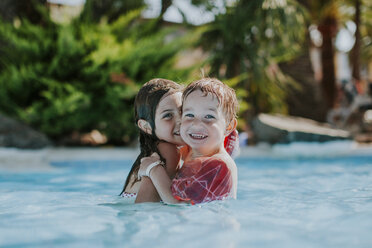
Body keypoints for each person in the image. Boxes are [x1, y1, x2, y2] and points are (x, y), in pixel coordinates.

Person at [138, 78, 239, 204]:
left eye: (209, 116)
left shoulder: (217, 165)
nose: (196, 124)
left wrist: (153, 169)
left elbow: (180, 204)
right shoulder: (194, 151)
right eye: (189, 115)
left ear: (229, 126)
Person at [119, 78, 185, 203]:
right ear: (146, 127)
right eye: (168, 115)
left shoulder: (155, 149)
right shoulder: (168, 150)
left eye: (183, 111)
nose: (181, 120)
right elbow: (145, 206)